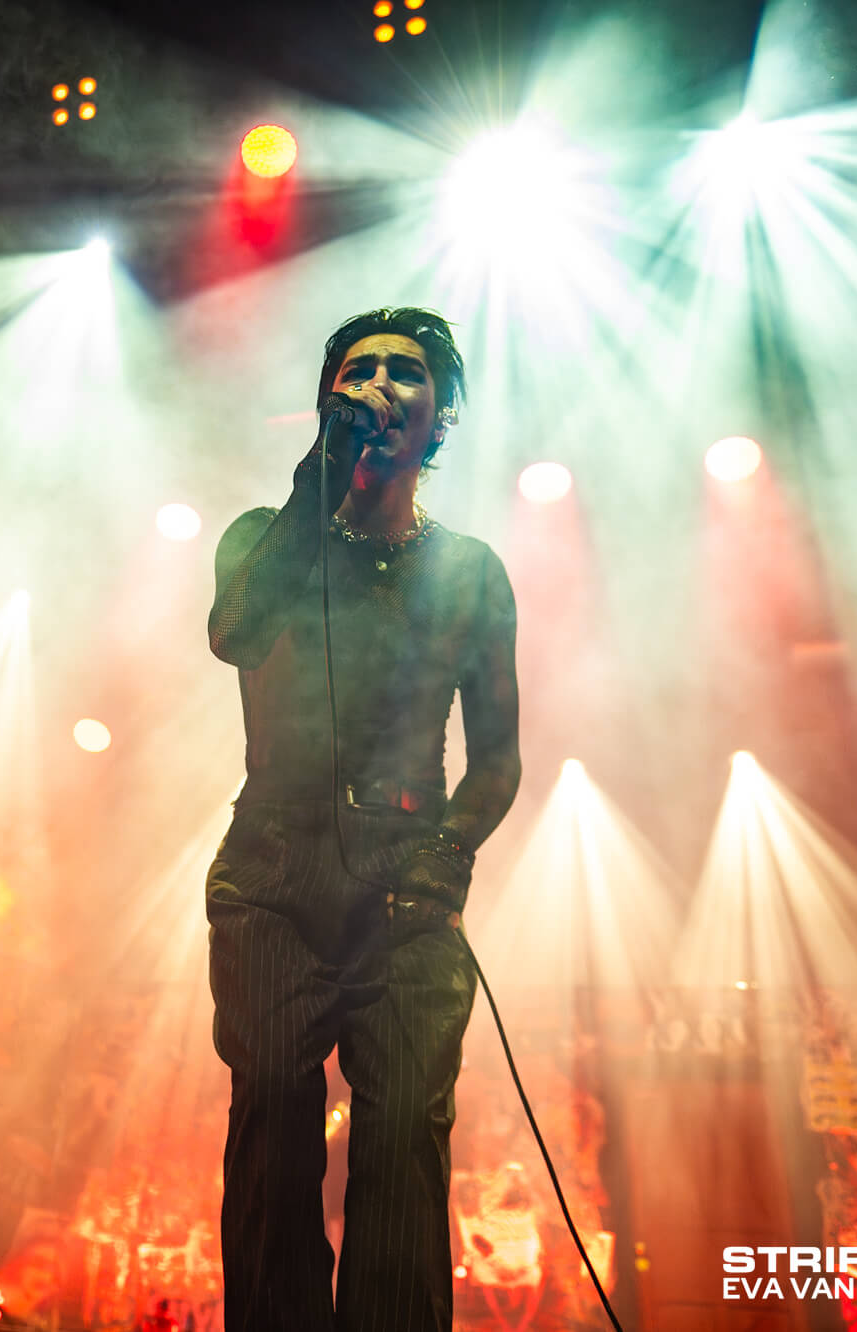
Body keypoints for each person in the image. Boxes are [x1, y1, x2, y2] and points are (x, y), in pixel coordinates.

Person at [204, 307, 522, 1332]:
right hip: (272, 877)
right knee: (273, 1130)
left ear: (441, 419)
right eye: (358, 369)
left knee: (402, 1153)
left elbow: (499, 757)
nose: (380, 383)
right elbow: (234, 632)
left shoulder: (470, 571)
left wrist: (444, 860)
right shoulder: (264, 539)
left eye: (405, 372)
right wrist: (321, 466)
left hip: (407, 886)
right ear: (328, 403)